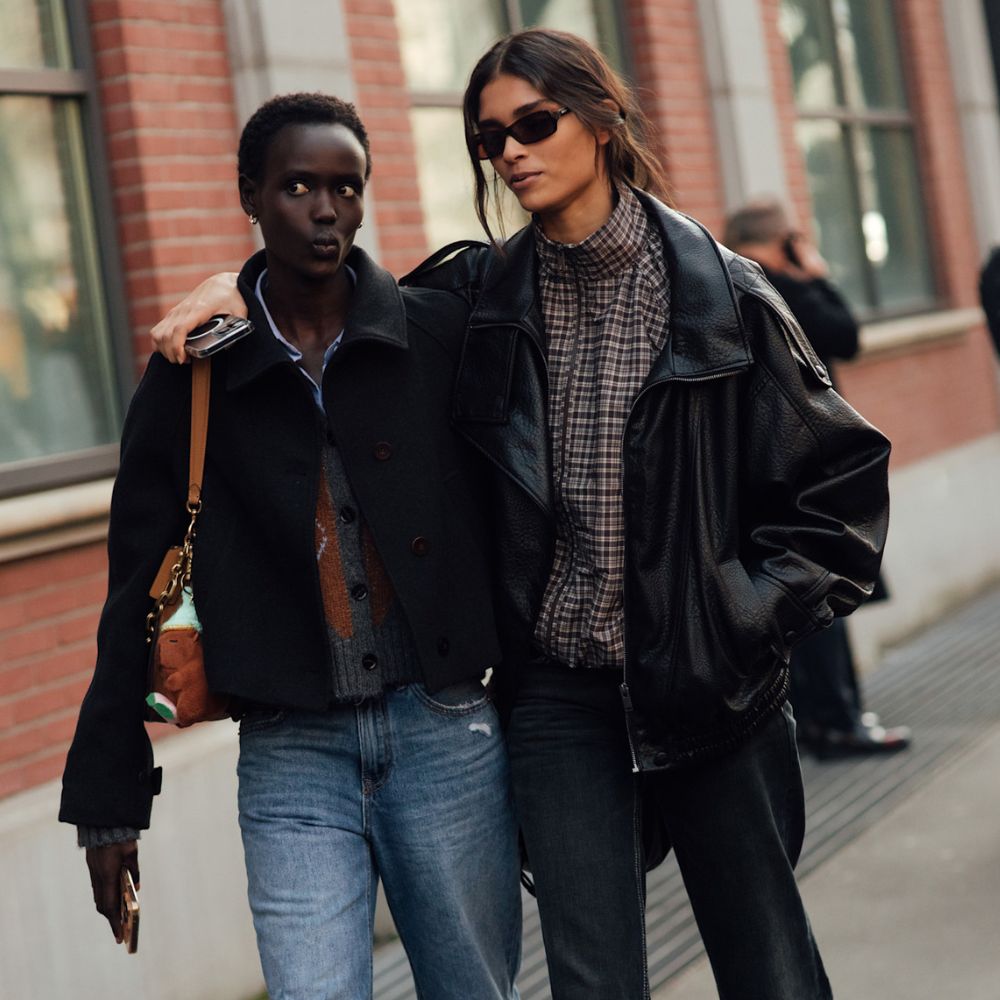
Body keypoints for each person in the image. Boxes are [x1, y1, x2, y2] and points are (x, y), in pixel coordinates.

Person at [150, 32, 891, 1000]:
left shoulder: (723, 295)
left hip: (708, 682)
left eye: (534, 124)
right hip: (558, 697)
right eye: (489, 137)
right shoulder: (478, 295)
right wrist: (234, 288)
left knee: (768, 968)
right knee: (589, 979)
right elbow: (333, 303)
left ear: (603, 120)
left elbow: (840, 489)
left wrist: (740, 618)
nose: (510, 152)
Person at [59, 93, 522, 1000]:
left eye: (347, 187)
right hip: (290, 754)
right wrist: (107, 799)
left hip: (445, 735)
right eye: (298, 186)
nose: (325, 210)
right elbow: (135, 580)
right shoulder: (197, 368)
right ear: (251, 195)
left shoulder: (435, 333)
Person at [724, 197, 911, 758]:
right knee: (818, 599)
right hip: (799, 474)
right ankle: (837, 722)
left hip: (757, 477)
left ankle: (814, 720)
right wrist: (817, 277)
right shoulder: (775, 288)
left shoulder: (721, 281)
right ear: (784, 240)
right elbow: (846, 335)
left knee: (788, 602)